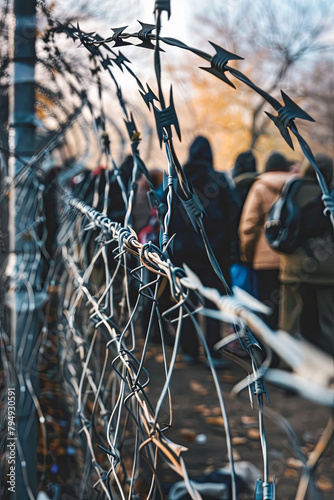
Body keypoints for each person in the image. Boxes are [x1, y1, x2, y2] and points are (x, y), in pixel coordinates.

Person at [169, 136, 240, 364]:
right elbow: (234, 210)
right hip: (213, 252)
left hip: (182, 251)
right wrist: (224, 240)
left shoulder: (177, 179)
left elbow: (165, 213)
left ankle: (190, 351)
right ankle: (213, 352)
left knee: (187, 301)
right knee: (213, 303)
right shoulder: (218, 180)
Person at [278, 153, 334, 356]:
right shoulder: (330, 194)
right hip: (327, 272)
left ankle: (293, 372)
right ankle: (327, 374)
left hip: (293, 268)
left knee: (292, 323)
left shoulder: (291, 190)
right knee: (327, 324)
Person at [239, 151, 292, 329]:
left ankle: (268, 353)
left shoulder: (259, 187)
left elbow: (249, 227)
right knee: (287, 310)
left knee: (266, 308)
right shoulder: (295, 186)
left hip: (264, 261)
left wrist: (247, 255)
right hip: (289, 258)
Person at [230, 150, 258, 295]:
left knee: (240, 304)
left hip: (237, 256)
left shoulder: (232, 190)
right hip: (259, 258)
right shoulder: (260, 187)